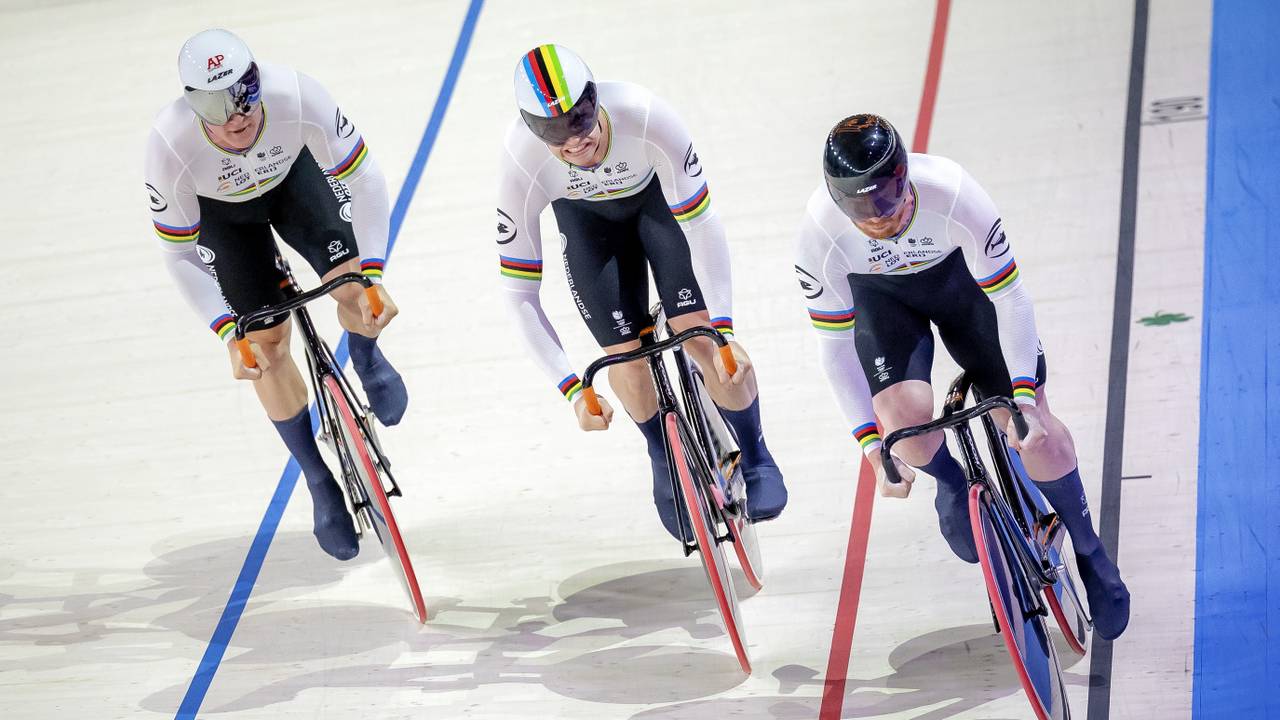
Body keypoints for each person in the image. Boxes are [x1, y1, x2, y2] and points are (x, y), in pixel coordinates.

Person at [793, 114, 1129, 639]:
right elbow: (834, 349)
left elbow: (1010, 298)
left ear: (905, 176)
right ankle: (952, 484)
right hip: (884, 304)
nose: (877, 218)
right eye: (859, 208)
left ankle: (1090, 551)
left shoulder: (953, 191)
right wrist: (870, 448)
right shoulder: (819, 232)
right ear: (837, 201)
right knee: (901, 427)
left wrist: (1020, 395)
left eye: (886, 198)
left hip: (962, 291)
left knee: (1033, 430)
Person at [495, 44, 786, 540]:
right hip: (589, 230)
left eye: (581, 118)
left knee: (701, 339)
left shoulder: (647, 116)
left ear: (595, 98)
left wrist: (726, 328)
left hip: (658, 211)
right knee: (624, 361)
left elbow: (703, 224)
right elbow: (520, 293)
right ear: (531, 128)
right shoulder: (519, 161)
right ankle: (661, 451)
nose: (574, 140)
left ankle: (755, 452)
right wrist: (572, 388)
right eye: (554, 131)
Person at [145, 29, 407, 560]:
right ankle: (316, 477)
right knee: (263, 346)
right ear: (193, 105)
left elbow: (367, 180)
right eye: (217, 107)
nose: (236, 117)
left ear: (259, 82)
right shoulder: (169, 144)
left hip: (293, 183)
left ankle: (366, 357)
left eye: (244, 95)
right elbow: (180, 255)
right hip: (224, 220)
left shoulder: (299, 95)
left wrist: (374, 272)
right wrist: (225, 331)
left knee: (354, 285)